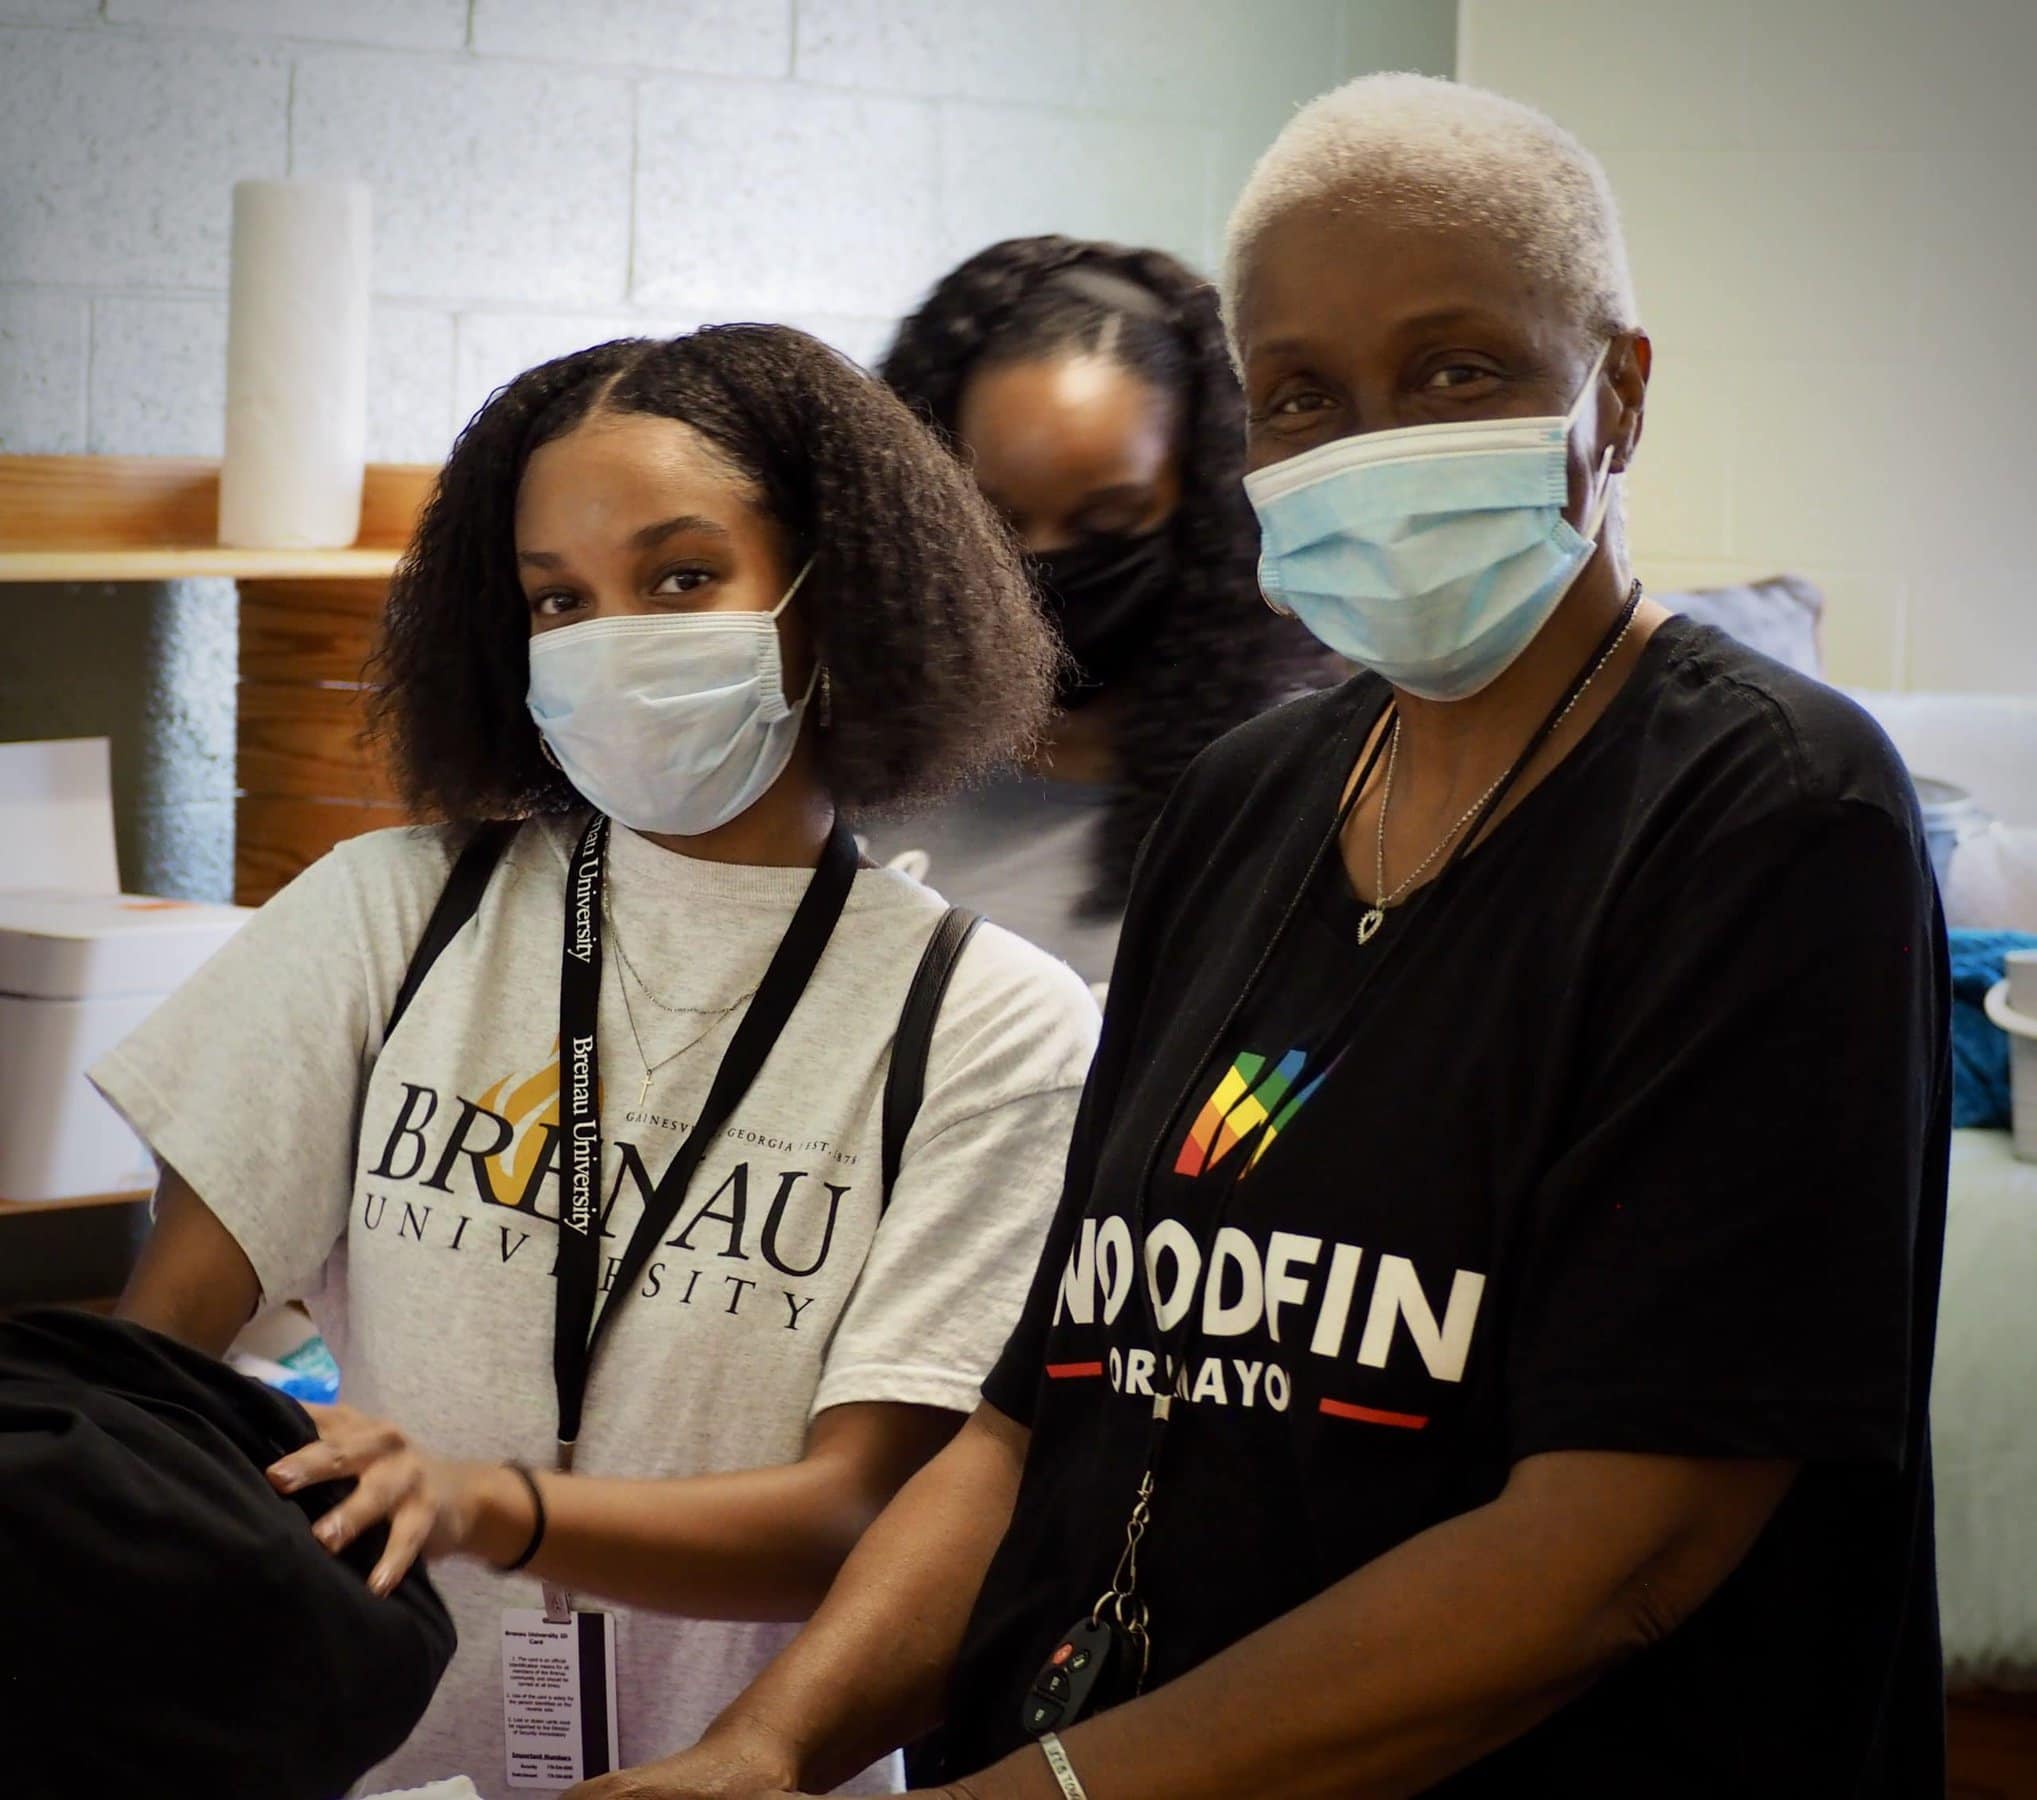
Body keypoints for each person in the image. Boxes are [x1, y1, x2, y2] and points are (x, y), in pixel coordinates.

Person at [567, 76, 1949, 1800]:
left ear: (1620, 392)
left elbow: (1618, 1552)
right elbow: (1035, 1412)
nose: (1372, 444)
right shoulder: (1239, 807)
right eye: (1302, 395)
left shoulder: (1768, 816)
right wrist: (770, 1751)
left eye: (1455, 370)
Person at [92, 325, 1100, 1792]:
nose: (611, 640)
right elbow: (152, 1382)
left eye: (682, 578)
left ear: (840, 597)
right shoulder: (396, 914)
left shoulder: (987, 1018)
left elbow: (861, 1516)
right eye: (557, 601)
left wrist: (491, 1505)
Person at [864, 236, 1329, 987]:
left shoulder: (1287, 804)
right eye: (996, 522)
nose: (1045, 569)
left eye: (1107, 524)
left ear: (1204, 511)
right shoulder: (852, 779)